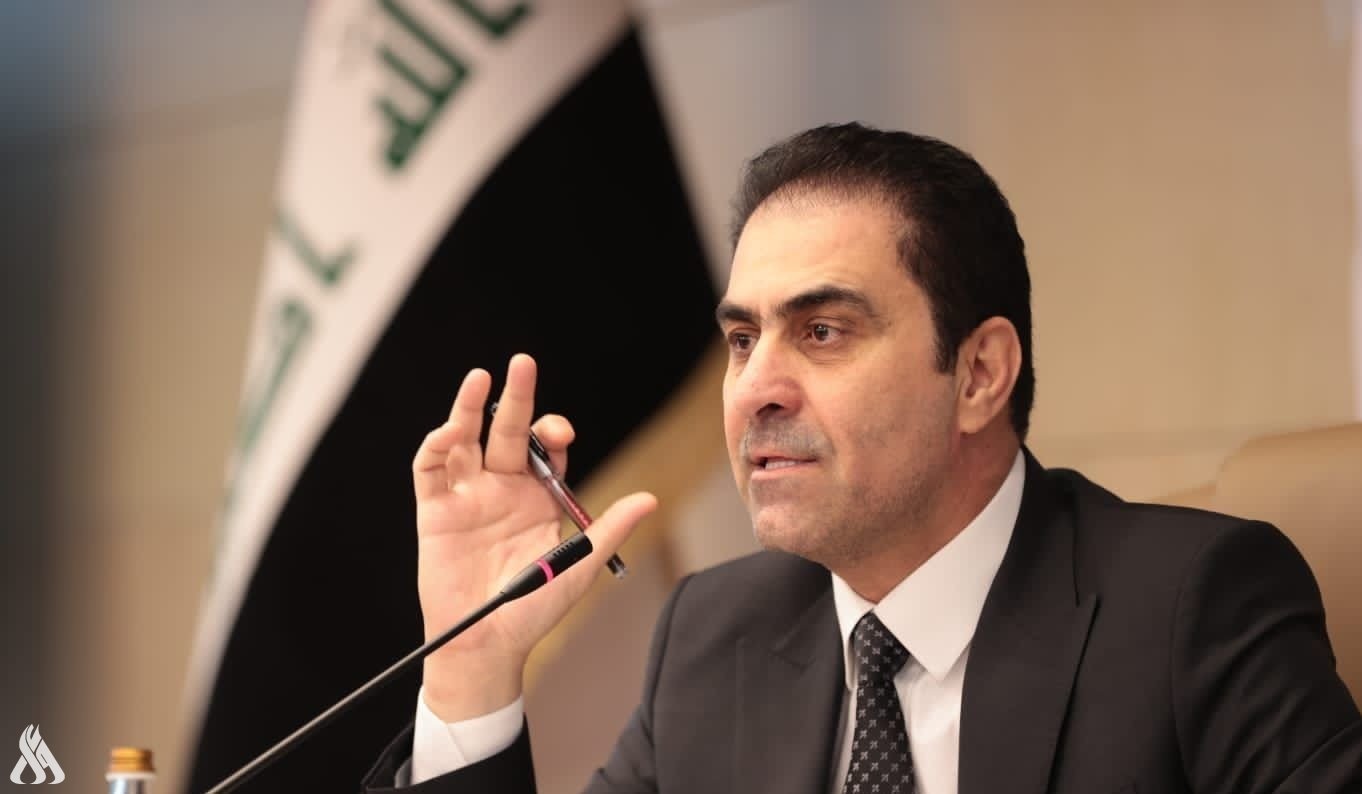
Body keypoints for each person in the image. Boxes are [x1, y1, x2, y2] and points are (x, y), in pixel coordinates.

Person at [362, 123, 1362, 793]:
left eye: (824, 331)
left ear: (979, 373)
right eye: (742, 338)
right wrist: (471, 666)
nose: (756, 386)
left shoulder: (1193, 609)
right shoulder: (715, 638)